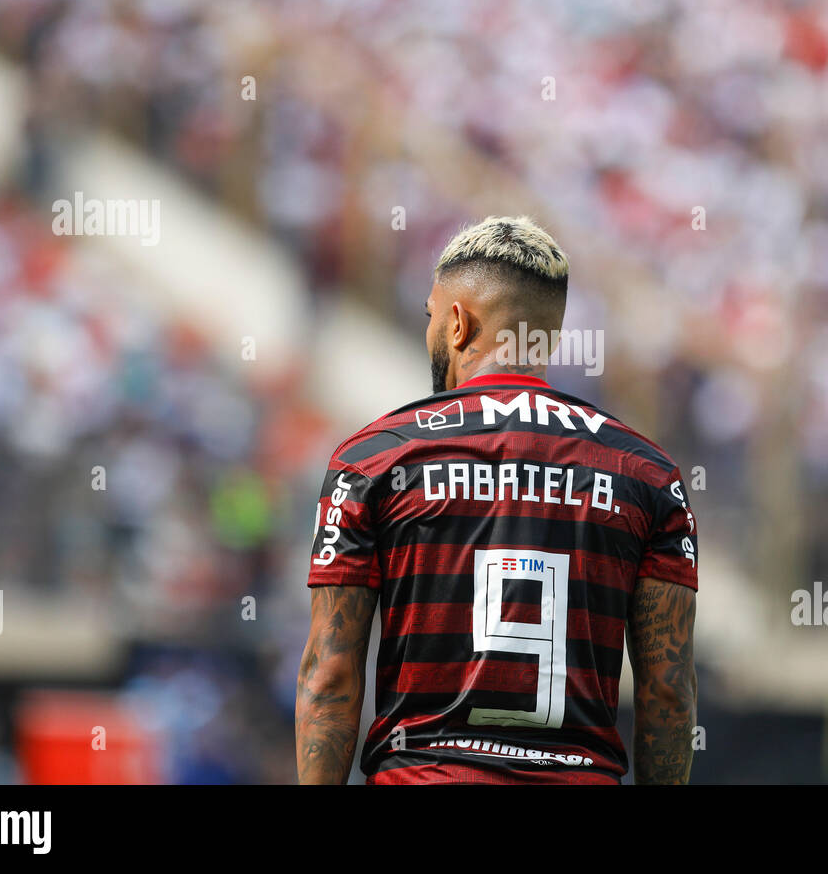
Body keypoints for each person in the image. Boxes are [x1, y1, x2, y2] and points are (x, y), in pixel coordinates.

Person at [295, 216, 698, 784]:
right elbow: (669, 692)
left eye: (431, 316)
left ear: (458, 324)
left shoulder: (374, 460)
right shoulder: (648, 475)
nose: (430, 331)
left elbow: (330, 674)